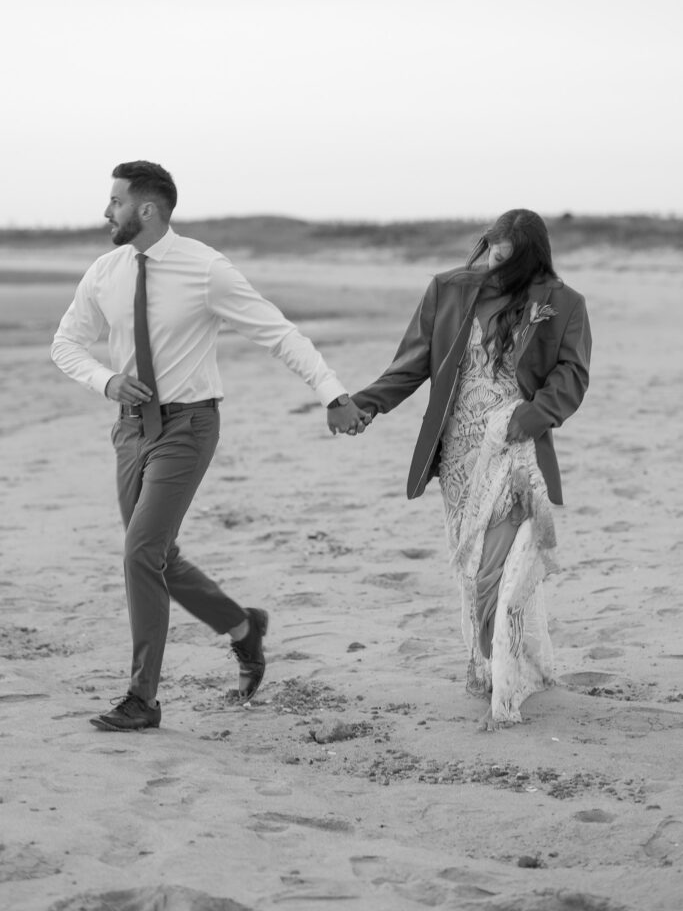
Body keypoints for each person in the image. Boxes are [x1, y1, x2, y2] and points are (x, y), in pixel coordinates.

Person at [51, 160, 369, 732]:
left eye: (116, 201)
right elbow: (65, 343)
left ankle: (142, 698)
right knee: (157, 555)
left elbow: (277, 332)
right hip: (129, 428)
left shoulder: (205, 270)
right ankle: (244, 627)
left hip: (188, 428)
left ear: (146, 209)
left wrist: (332, 393)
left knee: (140, 553)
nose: (106, 211)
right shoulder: (105, 271)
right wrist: (106, 380)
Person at [349, 209, 591, 729]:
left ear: (529, 256)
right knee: (472, 562)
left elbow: (573, 375)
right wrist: (366, 404)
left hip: (514, 451)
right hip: (458, 453)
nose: (493, 264)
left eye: (506, 257)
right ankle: (493, 664)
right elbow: (411, 363)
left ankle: (505, 678)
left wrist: (533, 415)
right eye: (489, 251)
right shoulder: (449, 290)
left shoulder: (563, 304)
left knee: (494, 569)